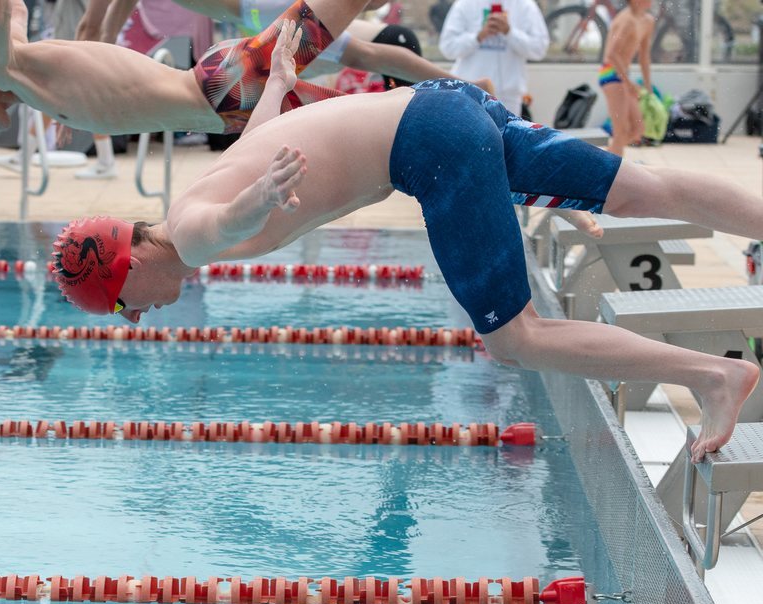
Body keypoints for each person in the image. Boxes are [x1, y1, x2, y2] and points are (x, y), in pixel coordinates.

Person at [52, 21, 762, 462]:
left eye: (118, 306)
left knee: (516, 338)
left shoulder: (190, 233)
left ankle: (712, 376)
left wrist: (258, 202)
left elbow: (224, 227)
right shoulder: (186, 200)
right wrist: (279, 87)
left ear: (127, 264)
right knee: (640, 189)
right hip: (445, 109)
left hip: (431, 146)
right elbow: (258, 138)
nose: (135, 317)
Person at [0, 0, 456, 142]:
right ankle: (478, 107)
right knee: (392, 123)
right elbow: (14, 10)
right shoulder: (24, 80)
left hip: (227, 87)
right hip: (230, 108)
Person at [75, 0, 473, 92]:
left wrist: (102, 42)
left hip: (257, 9)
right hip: (256, 12)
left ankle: (463, 85)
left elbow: (92, 26)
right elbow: (97, 27)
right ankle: (467, 85)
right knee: (365, 54)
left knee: (364, 51)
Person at [438, 0, 548, 117]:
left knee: (505, 129)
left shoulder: (525, 5)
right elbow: (447, 47)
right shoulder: (465, 4)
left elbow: (539, 48)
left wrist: (509, 32)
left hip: (509, 98)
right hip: (469, 94)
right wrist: (478, 37)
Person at [599, 0, 653, 156]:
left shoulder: (648, 21)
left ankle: (605, 158)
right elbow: (612, 54)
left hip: (623, 75)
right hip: (611, 73)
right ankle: (611, 162)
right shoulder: (626, 20)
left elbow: (644, 56)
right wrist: (628, 84)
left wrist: (648, 85)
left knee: (637, 129)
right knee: (621, 131)